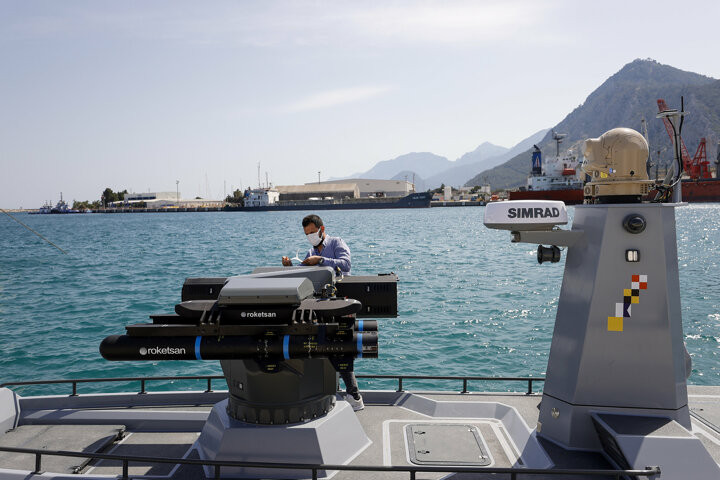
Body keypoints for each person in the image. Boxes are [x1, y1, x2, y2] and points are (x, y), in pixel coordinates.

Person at [281, 214, 363, 410]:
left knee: (342, 348)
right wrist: (290, 267)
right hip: (321, 305)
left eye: (312, 232)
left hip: (341, 303)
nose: (310, 236)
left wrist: (322, 259)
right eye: (307, 234)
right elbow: (302, 274)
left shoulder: (336, 242)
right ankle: (332, 392)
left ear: (321, 229)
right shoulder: (310, 252)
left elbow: (346, 264)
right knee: (325, 346)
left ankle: (354, 395)